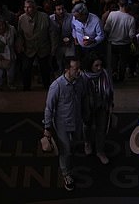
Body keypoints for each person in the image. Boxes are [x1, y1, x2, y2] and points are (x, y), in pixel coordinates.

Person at [43, 59, 88, 191]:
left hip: (76, 122)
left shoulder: (80, 82)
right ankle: (66, 174)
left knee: (73, 145)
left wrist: (86, 115)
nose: (79, 71)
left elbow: (83, 99)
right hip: (62, 124)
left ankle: (68, 163)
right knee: (65, 149)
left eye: (79, 68)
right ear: (67, 70)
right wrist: (47, 127)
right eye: (75, 69)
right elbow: (49, 108)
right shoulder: (56, 86)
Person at [82, 54, 114, 165]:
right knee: (87, 126)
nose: (99, 68)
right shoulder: (83, 77)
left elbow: (110, 91)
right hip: (88, 106)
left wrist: (110, 104)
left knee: (101, 129)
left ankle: (100, 151)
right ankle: (87, 143)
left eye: (100, 65)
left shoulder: (104, 74)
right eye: (96, 65)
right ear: (90, 66)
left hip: (102, 105)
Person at [16, 0, 54, 91]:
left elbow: (52, 33)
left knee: (45, 68)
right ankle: (26, 87)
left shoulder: (44, 17)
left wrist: (53, 47)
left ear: (35, 8)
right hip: (29, 47)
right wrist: (20, 45)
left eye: (29, 7)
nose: (26, 9)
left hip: (43, 46)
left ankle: (46, 86)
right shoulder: (21, 18)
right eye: (25, 7)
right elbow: (20, 34)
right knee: (26, 68)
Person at [103, 0, 136, 82]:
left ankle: (114, 73)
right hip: (124, 44)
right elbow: (131, 35)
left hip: (112, 43)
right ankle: (121, 77)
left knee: (113, 60)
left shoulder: (112, 14)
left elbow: (106, 28)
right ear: (127, 5)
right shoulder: (131, 18)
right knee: (123, 61)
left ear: (118, 4)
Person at [49, 0, 75, 73]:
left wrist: (71, 38)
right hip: (57, 45)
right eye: (58, 9)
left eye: (62, 8)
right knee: (59, 64)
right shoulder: (50, 19)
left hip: (69, 44)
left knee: (70, 63)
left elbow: (75, 30)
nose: (61, 11)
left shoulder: (71, 17)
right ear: (54, 11)